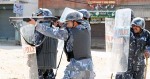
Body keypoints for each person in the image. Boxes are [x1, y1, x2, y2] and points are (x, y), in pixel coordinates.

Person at [27, 11, 95, 79]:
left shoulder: (67, 33)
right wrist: (62, 24)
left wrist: (36, 24)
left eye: (68, 22)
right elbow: (79, 24)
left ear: (74, 22)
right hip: (89, 67)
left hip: (76, 67)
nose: (67, 24)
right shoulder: (87, 28)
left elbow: (50, 32)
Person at [34, 8, 58, 79]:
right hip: (50, 62)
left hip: (40, 63)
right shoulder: (54, 29)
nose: (37, 17)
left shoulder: (40, 29)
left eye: (39, 15)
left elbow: (36, 45)